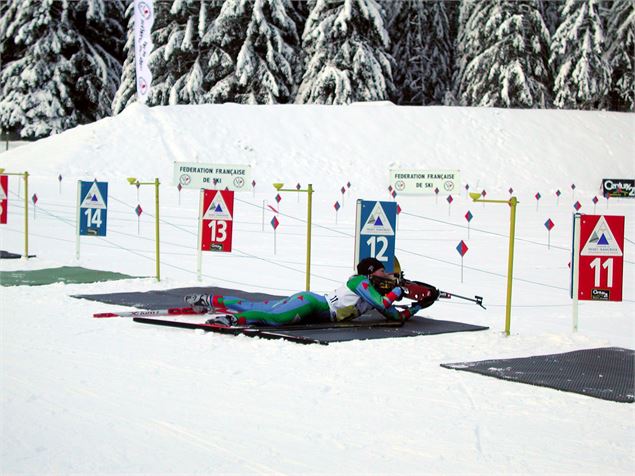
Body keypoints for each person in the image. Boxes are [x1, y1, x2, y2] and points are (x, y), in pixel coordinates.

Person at [184, 257, 437, 327]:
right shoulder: (359, 282)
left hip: (320, 314)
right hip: (314, 304)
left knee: (259, 307)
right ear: (371, 274)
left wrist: (420, 305)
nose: (388, 276)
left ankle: (209, 300)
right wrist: (399, 290)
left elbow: (394, 316)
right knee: (276, 318)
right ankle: (230, 318)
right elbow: (383, 302)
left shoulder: (374, 293)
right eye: (383, 273)